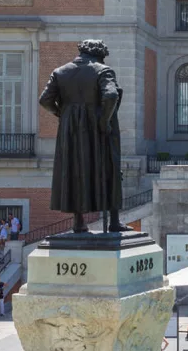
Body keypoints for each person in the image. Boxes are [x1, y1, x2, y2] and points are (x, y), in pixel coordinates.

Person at [39, 39, 129, 233]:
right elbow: (111, 96)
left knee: (74, 170)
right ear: (99, 55)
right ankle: (114, 221)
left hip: (70, 130)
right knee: (110, 168)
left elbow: (45, 100)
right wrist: (104, 121)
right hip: (98, 128)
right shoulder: (103, 70)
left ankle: (79, 222)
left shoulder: (60, 72)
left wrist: (61, 113)